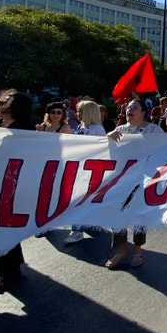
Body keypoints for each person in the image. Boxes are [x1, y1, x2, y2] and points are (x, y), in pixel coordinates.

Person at [0, 90, 36, 292]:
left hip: (12, 183)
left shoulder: (25, 128)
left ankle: (6, 270)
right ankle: (0, 267)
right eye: (2, 100)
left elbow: (30, 155)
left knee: (3, 226)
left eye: (7, 101)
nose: (2, 103)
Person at [104, 99, 164, 268]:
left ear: (143, 112)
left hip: (144, 179)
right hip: (122, 179)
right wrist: (107, 137)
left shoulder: (154, 130)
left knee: (139, 214)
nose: (129, 110)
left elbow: (166, 148)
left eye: (134, 107)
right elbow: (106, 150)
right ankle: (121, 248)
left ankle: (138, 250)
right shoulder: (120, 130)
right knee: (116, 211)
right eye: (128, 107)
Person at [64, 100, 108, 245]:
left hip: (91, 168)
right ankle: (85, 224)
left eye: (80, 111)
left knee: (83, 198)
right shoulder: (81, 127)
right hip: (80, 167)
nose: (77, 113)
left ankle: (78, 230)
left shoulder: (97, 129)